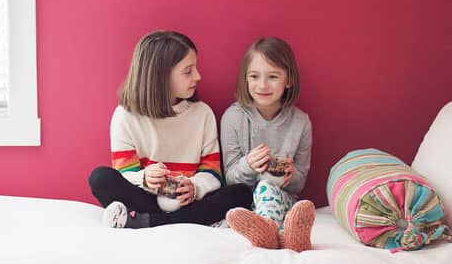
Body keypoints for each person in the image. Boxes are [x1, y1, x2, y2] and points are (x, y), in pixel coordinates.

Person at [89, 30, 252, 228]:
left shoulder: (202, 114)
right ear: (161, 76)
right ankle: (188, 221)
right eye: (188, 71)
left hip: (188, 202)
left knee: (241, 193)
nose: (198, 76)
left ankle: (145, 221)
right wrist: (145, 179)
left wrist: (195, 188)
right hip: (146, 198)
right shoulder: (125, 116)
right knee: (100, 178)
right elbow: (124, 173)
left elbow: (213, 173)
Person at [220, 36, 315, 251]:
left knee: (268, 187)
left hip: (283, 199)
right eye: (254, 76)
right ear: (245, 78)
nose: (262, 85)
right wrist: (249, 164)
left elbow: (299, 184)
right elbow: (230, 177)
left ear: (288, 80)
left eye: (273, 76)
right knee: (257, 190)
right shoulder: (233, 118)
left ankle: (271, 231)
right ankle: (281, 236)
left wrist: (290, 175)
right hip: (244, 204)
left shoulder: (301, 122)